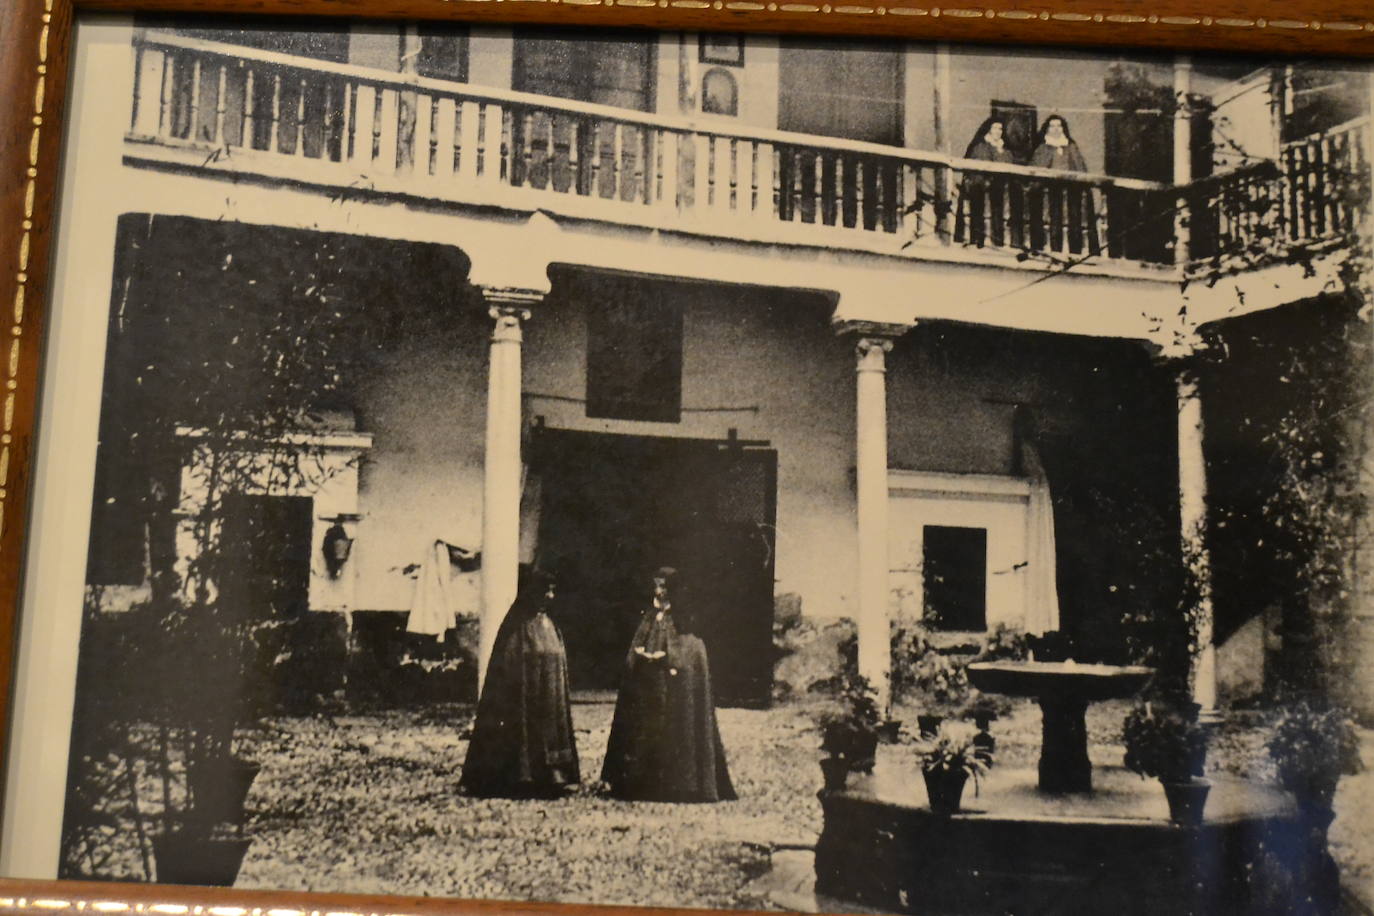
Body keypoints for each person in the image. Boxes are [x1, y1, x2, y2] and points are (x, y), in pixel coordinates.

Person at [601, 567, 736, 803]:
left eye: (663, 587)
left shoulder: (685, 621)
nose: (658, 591)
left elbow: (688, 655)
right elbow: (637, 649)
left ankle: (680, 783)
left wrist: (669, 659)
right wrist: (640, 658)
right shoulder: (651, 617)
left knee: (677, 725)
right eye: (656, 586)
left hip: (674, 689)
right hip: (650, 688)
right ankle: (641, 782)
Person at [460, 567, 580, 798]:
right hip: (525, 693)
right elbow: (512, 661)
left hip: (548, 691)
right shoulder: (518, 625)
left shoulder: (550, 624)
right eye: (546, 591)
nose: (550, 596)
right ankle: (521, 775)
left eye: (553, 591)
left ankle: (553, 775)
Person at [1028, 115, 1100, 256]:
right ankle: (1053, 248)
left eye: (1059, 126)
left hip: (1072, 191)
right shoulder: (1042, 148)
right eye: (1052, 126)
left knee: (1075, 218)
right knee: (1053, 218)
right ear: (1047, 129)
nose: (1056, 129)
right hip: (1049, 192)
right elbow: (1035, 171)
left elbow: (1081, 169)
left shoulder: (1071, 147)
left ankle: (1075, 249)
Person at [956, 117, 1017, 248]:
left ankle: (998, 240)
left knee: (999, 208)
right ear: (988, 130)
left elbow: (1009, 166)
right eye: (995, 128)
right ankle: (978, 240)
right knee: (978, 208)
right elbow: (977, 167)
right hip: (979, 184)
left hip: (999, 187)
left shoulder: (1005, 150)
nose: (998, 131)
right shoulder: (980, 146)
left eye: (1000, 129)